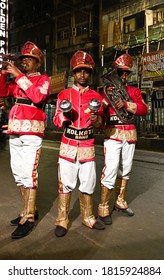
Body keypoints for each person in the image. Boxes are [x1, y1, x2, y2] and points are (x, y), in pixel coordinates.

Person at [0, 41, 51, 239]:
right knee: (18, 174)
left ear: (38, 63)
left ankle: (28, 218)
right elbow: (0, 92)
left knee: (29, 174)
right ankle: (29, 209)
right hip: (15, 130)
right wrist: (2, 72)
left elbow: (37, 97)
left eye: (29, 59)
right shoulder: (19, 81)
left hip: (32, 132)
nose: (25, 61)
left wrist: (18, 75)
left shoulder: (43, 79)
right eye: (23, 59)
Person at [53, 50, 106, 237]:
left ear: (90, 74)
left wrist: (96, 118)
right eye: (78, 71)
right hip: (68, 145)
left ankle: (88, 216)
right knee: (65, 183)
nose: (82, 75)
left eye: (86, 72)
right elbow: (56, 120)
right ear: (73, 73)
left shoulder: (96, 97)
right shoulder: (63, 95)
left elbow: (102, 123)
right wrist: (64, 116)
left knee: (88, 182)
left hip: (87, 145)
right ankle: (62, 219)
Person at [98, 53, 148, 225]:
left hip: (130, 134)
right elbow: (99, 111)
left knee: (126, 169)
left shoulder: (134, 91)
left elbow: (143, 109)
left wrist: (126, 105)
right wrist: (106, 99)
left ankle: (120, 201)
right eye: (120, 73)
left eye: (126, 73)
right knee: (110, 169)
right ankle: (103, 207)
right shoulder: (105, 91)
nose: (124, 77)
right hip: (113, 133)